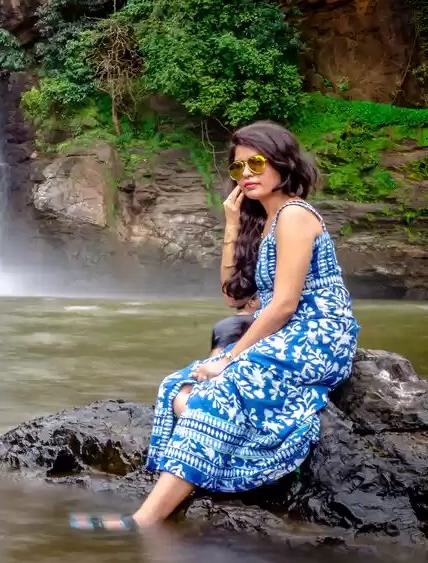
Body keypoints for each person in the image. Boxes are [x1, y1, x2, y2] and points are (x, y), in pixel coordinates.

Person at [69, 120, 360, 531]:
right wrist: (232, 224)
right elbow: (234, 299)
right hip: (287, 331)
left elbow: (283, 305)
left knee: (217, 391)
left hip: (319, 335)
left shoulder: (295, 215)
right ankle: (222, 457)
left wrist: (230, 359)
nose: (246, 174)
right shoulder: (268, 221)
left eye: (256, 163)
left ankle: (144, 519)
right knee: (178, 388)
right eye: (238, 167)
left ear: (282, 162)